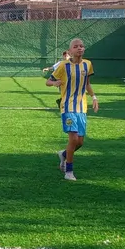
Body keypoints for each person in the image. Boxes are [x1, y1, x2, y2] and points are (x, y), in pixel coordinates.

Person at [46, 38, 97, 182]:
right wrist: (55, 82)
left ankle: (63, 154)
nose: (79, 48)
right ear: (70, 51)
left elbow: (87, 84)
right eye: (76, 47)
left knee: (79, 142)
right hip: (67, 107)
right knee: (73, 138)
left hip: (82, 107)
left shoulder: (88, 65)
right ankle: (68, 171)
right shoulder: (63, 66)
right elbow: (48, 81)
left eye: (81, 46)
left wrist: (94, 97)